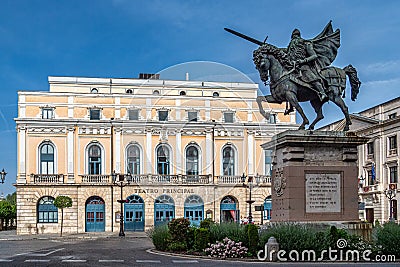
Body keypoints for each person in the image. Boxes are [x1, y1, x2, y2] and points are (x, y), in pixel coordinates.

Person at [286, 29, 328, 102]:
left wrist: (303, 61)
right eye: (293, 36)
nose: (294, 38)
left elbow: (314, 56)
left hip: (303, 65)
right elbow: (281, 50)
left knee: (310, 76)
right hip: (292, 67)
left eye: (296, 36)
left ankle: (322, 92)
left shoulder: (306, 44)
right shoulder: (290, 48)